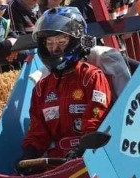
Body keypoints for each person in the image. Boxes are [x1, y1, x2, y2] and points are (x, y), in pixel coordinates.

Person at [19, 7, 112, 167]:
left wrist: (80, 150)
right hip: (55, 162)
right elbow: (37, 131)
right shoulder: (41, 87)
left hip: (92, 158)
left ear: (76, 41)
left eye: (61, 42)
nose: (54, 49)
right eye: (49, 42)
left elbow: (95, 121)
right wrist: (29, 155)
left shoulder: (91, 76)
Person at [0, 0, 29, 72]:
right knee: (10, 45)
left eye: (1, 7)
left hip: (2, 51)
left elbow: (18, 39)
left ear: (6, 7)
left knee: (25, 52)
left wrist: (15, 47)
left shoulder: (3, 22)